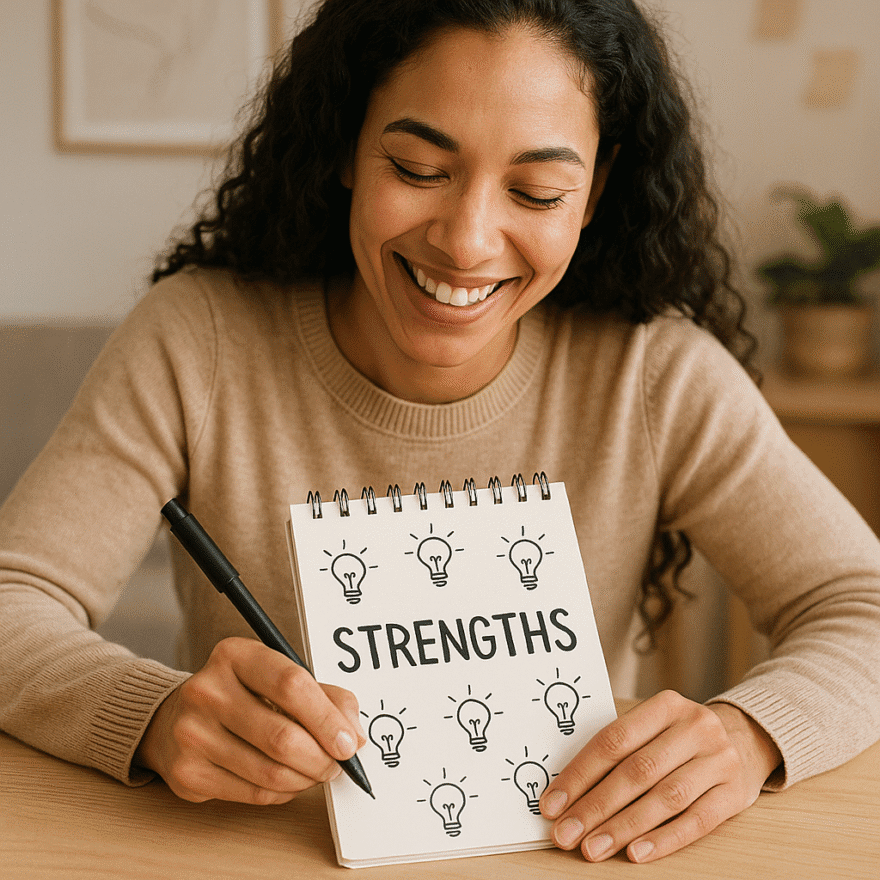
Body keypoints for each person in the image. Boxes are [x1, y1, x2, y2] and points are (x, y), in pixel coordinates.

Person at [2, 0, 879, 866]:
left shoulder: (654, 375)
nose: (465, 242)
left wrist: (749, 733)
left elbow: (862, 606)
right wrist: (150, 715)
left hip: (563, 850)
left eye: (537, 191)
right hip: (261, 853)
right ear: (347, 145)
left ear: (594, 192)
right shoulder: (197, 339)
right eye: (419, 168)